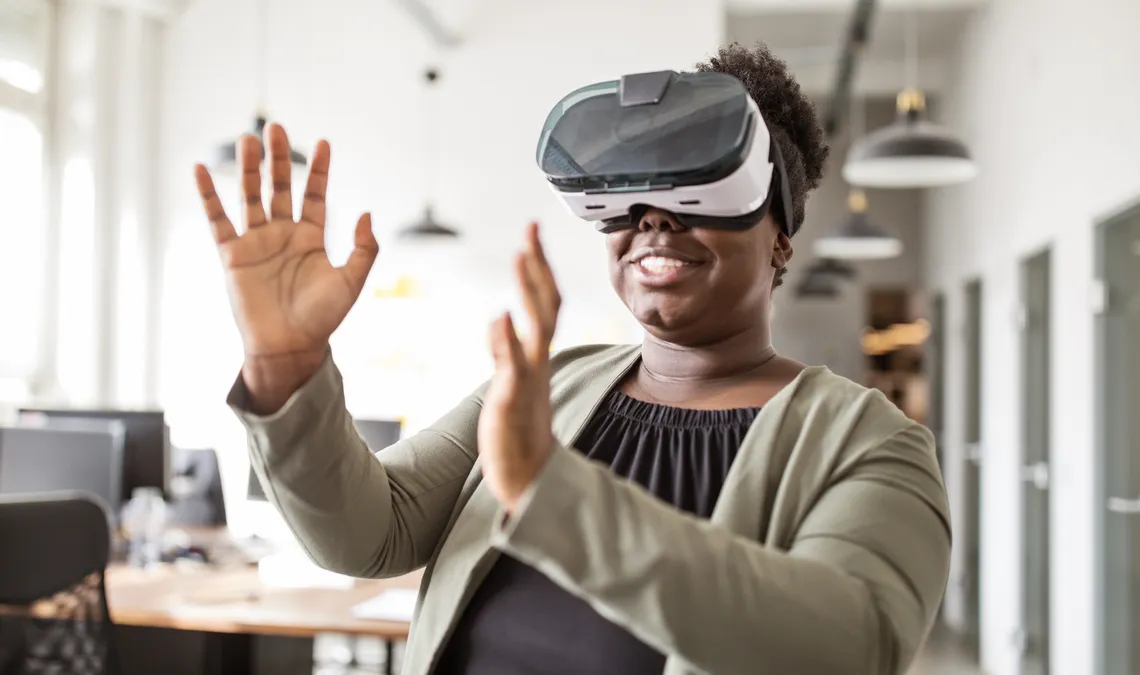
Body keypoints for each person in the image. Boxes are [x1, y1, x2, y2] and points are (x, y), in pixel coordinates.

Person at [194, 43, 950, 675]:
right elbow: (369, 532)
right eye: (635, 192)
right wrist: (288, 366)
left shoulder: (871, 445)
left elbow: (850, 642)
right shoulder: (547, 388)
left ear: (780, 236)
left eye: (699, 187)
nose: (655, 216)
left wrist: (555, 496)